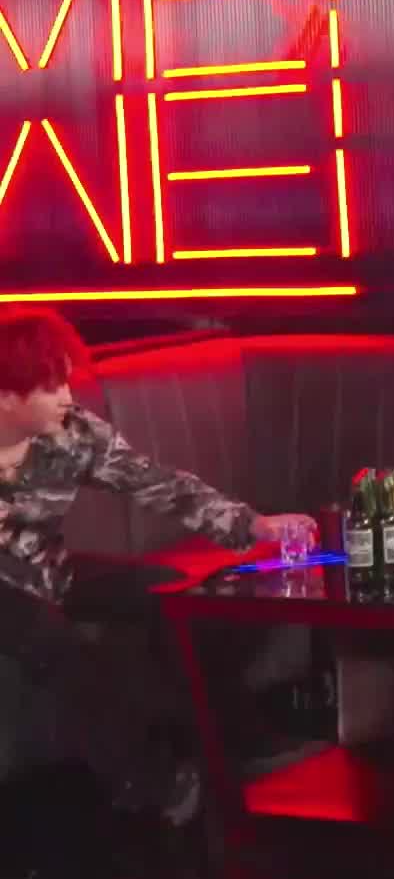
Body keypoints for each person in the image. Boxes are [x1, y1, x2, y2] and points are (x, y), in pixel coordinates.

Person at [0, 307, 316, 824]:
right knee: (52, 641)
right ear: (8, 397)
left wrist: (254, 525)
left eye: (67, 381)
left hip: (46, 569)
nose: (68, 396)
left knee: (174, 594)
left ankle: (235, 742)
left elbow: (158, 483)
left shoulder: (72, 434)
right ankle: (152, 783)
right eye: (52, 387)